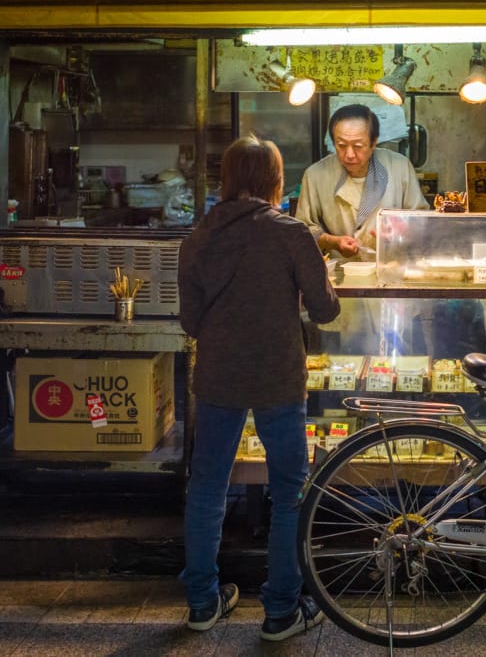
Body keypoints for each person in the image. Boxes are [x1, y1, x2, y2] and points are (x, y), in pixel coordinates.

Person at [177, 135, 339, 641]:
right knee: (289, 489)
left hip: (218, 376)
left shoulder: (198, 236)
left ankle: (203, 603)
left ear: (226, 179)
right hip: (277, 376)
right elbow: (327, 310)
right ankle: (282, 611)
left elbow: (189, 321)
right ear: (275, 181)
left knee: (207, 487)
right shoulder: (290, 234)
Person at [296, 103, 428, 258]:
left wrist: (401, 230)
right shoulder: (315, 175)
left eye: (358, 146)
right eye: (341, 145)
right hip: (341, 273)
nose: (349, 154)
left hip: (391, 268)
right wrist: (332, 242)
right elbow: (302, 230)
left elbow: (421, 220)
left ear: (373, 143)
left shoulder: (399, 166)